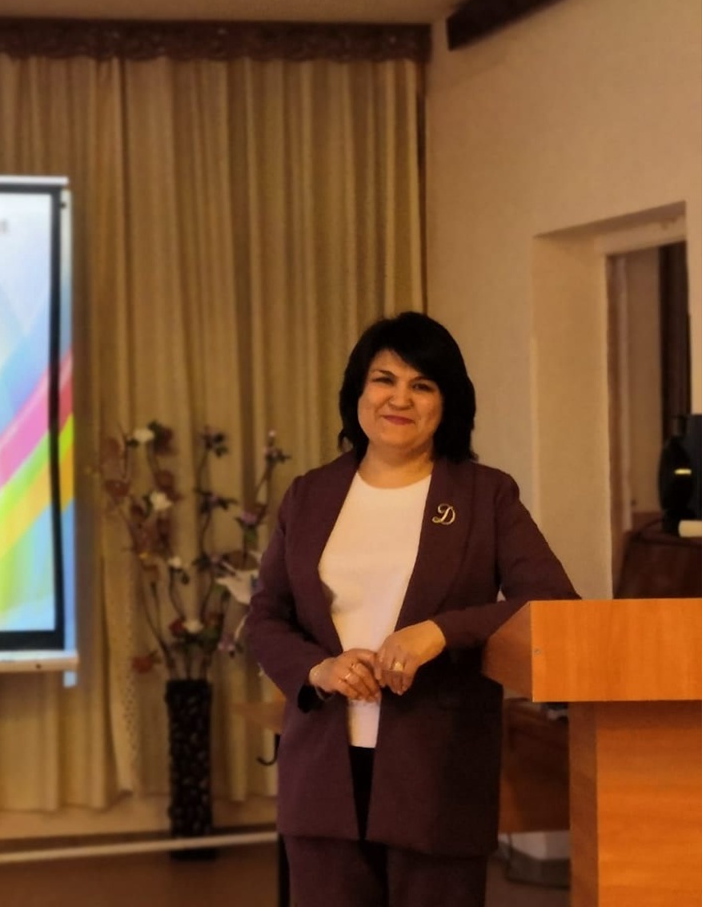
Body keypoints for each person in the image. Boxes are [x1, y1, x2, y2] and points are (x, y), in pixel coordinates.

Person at [246, 311, 579, 907]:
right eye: (384, 379)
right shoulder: (309, 494)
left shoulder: (485, 495)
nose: (400, 398)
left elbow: (552, 603)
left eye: (422, 385)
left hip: (438, 770)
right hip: (323, 771)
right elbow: (266, 616)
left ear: (447, 404)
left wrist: (440, 632)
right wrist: (318, 669)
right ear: (358, 392)